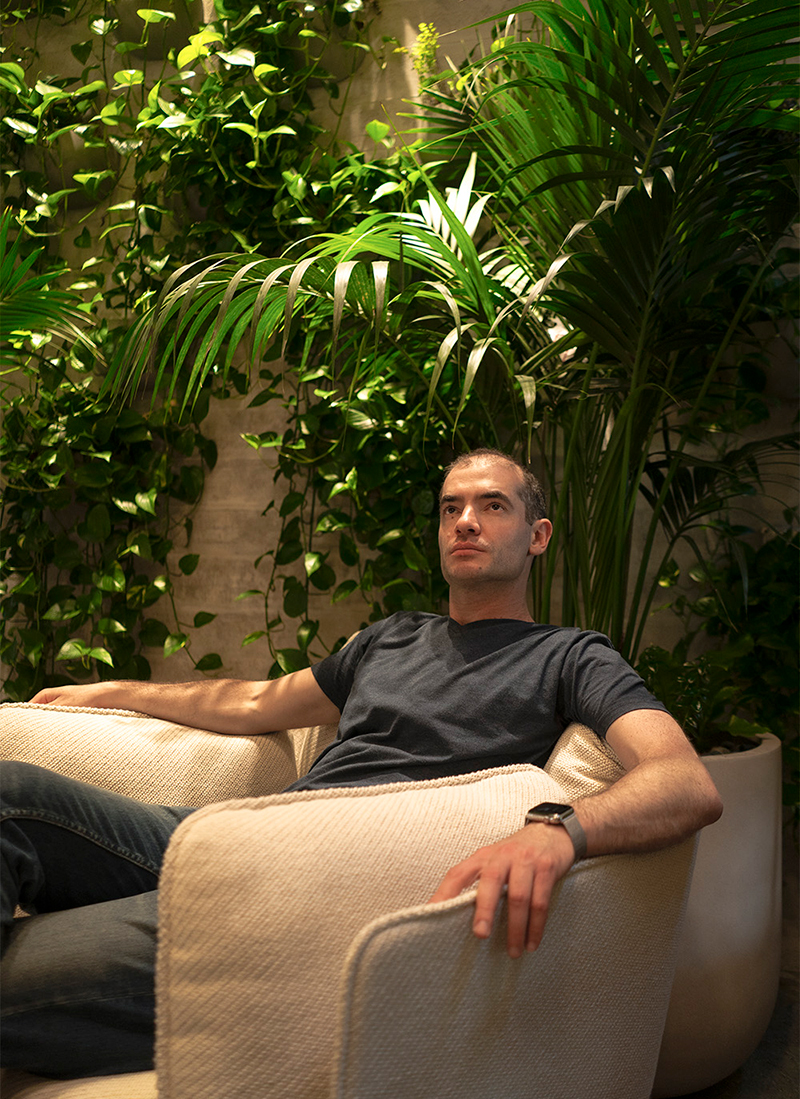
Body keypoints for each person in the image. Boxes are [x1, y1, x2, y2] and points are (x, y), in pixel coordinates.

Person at [0, 448, 722, 1078]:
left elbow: (684, 781)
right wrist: (113, 690)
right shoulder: (392, 638)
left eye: (492, 505)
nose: (465, 521)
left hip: (314, 885)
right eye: (451, 508)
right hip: (233, 832)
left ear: (538, 536)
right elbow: (253, 702)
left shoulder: (569, 655)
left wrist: (558, 828)